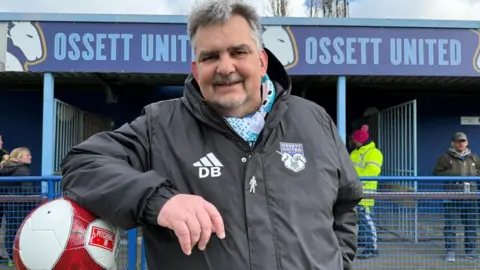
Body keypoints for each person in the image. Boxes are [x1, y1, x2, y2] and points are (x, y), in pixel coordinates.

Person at [60, 1, 363, 269]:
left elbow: (345, 204)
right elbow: (82, 165)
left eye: (238, 52)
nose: (225, 67)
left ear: (261, 61)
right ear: (195, 67)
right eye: (210, 57)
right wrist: (159, 199)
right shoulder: (160, 125)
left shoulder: (313, 119)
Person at [433, 132, 479, 262]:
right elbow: (436, 173)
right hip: (452, 196)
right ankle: (450, 251)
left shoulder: (474, 158)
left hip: (471, 197)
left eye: (463, 141)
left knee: (471, 225)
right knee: (451, 225)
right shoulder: (446, 157)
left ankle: (470, 251)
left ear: (467, 143)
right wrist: (456, 174)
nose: (461, 143)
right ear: (453, 143)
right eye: (458, 141)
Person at [349, 125, 383, 260]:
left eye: (354, 140)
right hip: (354, 191)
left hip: (366, 193)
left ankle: (372, 248)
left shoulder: (374, 153)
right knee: (360, 221)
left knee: (368, 221)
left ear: (359, 140)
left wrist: (355, 182)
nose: (352, 142)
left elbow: (372, 172)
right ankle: (364, 243)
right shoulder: (355, 152)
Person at [0, 147, 33, 266]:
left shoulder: (5, 168)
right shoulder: (23, 170)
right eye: (27, 155)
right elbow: (27, 190)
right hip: (21, 206)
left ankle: (11, 258)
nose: (30, 157)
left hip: (9, 205)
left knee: (11, 230)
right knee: (22, 232)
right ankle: (22, 258)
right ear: (19, 157)